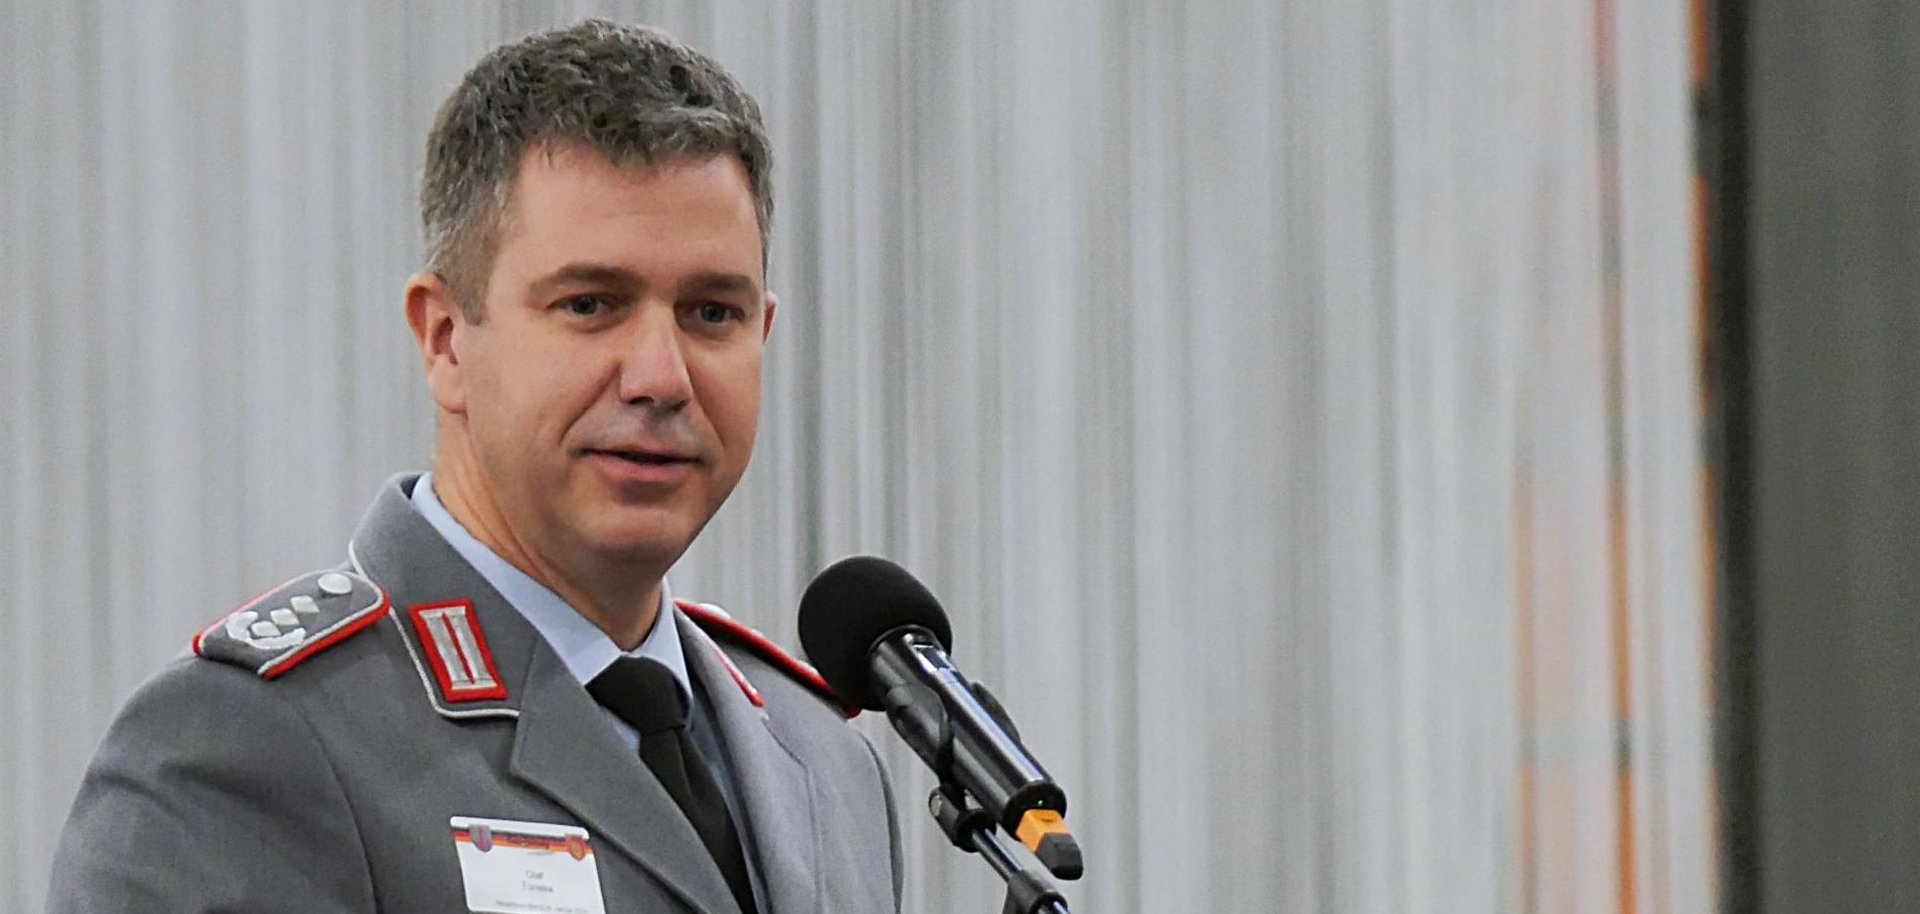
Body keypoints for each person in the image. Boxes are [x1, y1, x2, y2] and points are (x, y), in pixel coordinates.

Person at [48, 19, 901, 914]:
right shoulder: (251, 746)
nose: (661, 377)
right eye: (591, 305)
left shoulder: (824, 762)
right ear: (446, 340)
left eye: (711, 314)